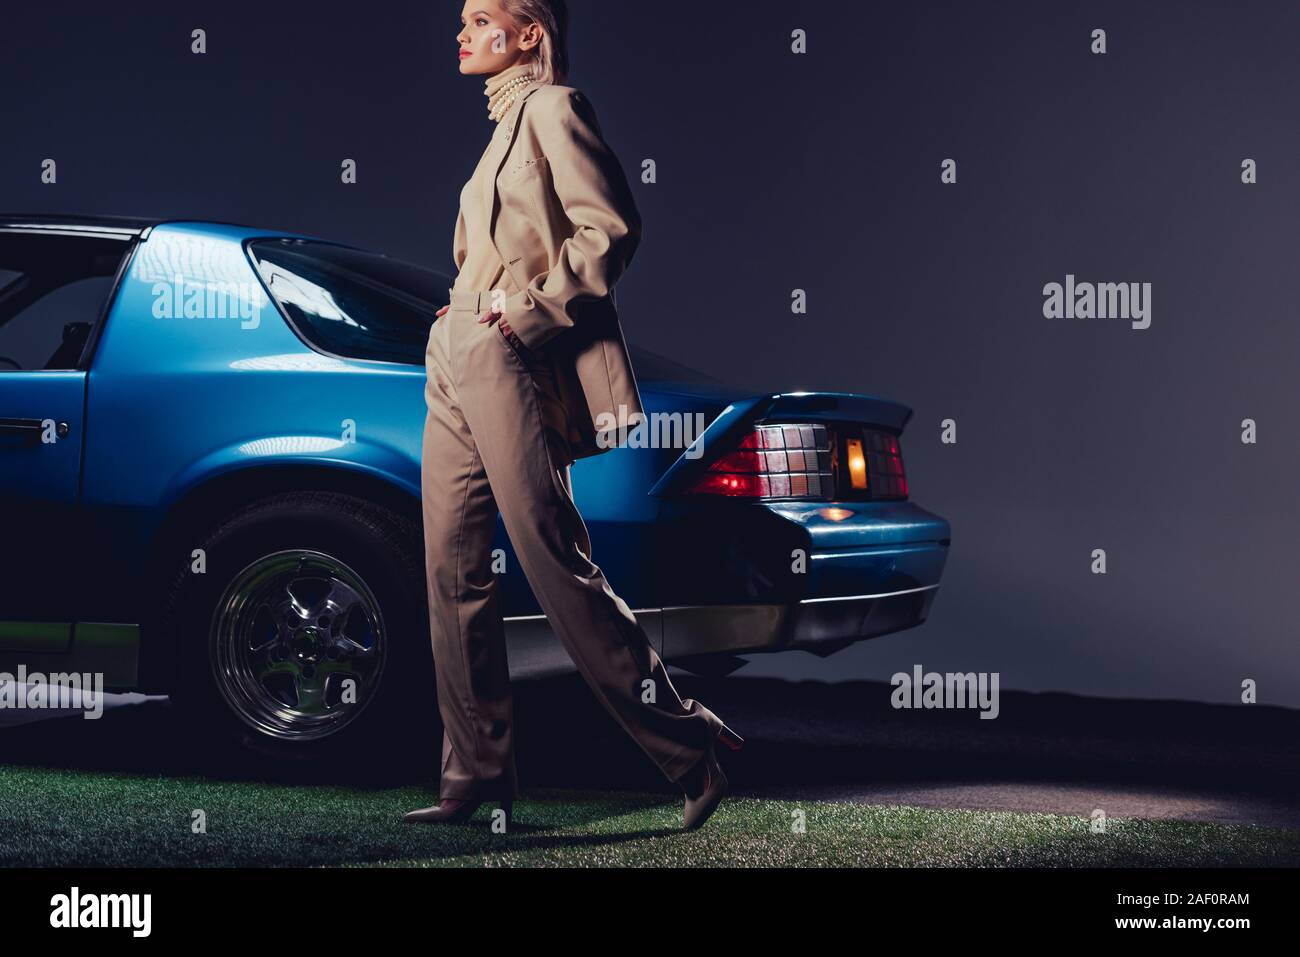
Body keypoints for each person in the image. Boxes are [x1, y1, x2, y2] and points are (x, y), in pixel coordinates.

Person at [403, 0, 742, 832]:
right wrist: (453, 322)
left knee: (552, 555)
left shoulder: (556, 108)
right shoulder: (496, 133)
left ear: (528, 34)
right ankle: (476, 772)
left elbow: (610, 228)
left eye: (480, 19)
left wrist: (526, 313)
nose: (462, 31)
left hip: (506, 345)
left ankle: (692, 743)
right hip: (454, 349)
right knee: (450, 571)